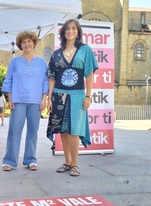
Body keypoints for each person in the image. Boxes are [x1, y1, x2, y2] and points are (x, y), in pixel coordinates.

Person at [46, 18, 98, 176]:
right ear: (63, 33)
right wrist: (49, 99)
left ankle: (75, 164)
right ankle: (67, 162)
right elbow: (52, 78)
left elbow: (89, 74)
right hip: (58, 95)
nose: (70, 31)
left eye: (74, 28)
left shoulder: (85, 50)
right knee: (63, 129)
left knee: (74, 129)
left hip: (77, 95)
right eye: (67, 29)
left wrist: (88, 96)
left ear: (78, 32)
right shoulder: (56, 54)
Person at [2, 31, 48, 172]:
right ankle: (9, 161)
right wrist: (10, 98)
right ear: (20, 45)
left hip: (35, 102)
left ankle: (30, 159)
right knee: (14, 131)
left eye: (29, 41)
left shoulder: (41, 62)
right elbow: (8, 80)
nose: (27, 44)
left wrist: (44, 99)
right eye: (23, 42)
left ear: (34, 43)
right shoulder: (14, 61)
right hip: (18, 101)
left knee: (33, 131)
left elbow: (45, 82)